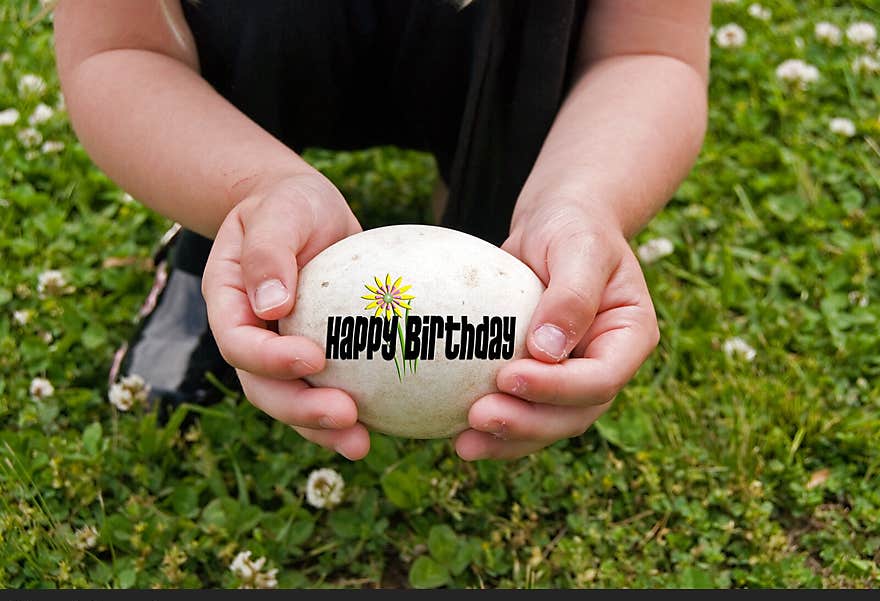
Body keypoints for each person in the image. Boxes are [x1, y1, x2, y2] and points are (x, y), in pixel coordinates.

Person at [54, 0, 710, 462]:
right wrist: (252, 191)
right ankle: (245, 245)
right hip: (263, 61)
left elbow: (645, 48)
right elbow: (120, 44)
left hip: (487, 57)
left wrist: (581, 196)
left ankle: (500, 235)